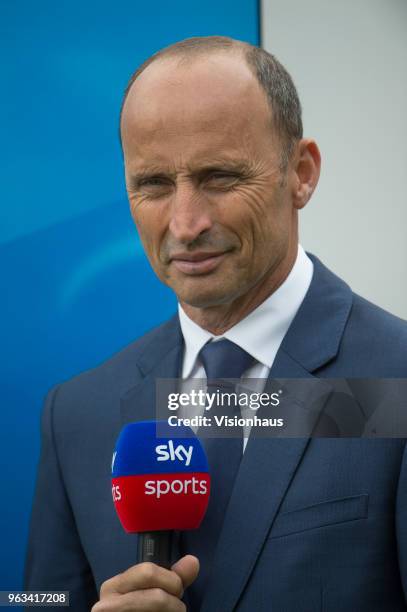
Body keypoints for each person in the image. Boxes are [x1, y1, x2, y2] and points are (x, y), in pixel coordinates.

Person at [25, 36, 407, 612]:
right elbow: (38, 599)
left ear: (301, 174)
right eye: (153, 184)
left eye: (220, 177)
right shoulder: (76, 412)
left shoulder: (397, 381)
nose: (184, 223)